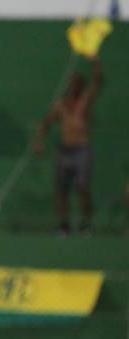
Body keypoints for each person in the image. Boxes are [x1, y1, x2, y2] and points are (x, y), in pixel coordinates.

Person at [33, 55, 103, 236]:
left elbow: (98, 81)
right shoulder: (61, 106)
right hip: (65, 150)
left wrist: (94, 61)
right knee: (62, 187)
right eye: (71, 84)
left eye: (77, 83)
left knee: (82, 186)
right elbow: (45, 123)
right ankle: (63, 223)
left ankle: (86, 222)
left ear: (81, 86)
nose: (74, 87)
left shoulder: (85, 102)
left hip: (82, 149)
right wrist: (39, 142)